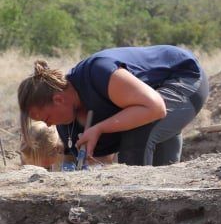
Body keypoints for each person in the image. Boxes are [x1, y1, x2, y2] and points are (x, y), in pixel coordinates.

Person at [18, 45, 208, 166]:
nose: (49, 125)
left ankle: (134, 207)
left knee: (138, 132)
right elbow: (96, 163)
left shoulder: (98, 72)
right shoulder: (68, 127)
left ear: (58, 99)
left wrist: (100, 128)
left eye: (46, 118)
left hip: (184, 77)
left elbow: (155, 107)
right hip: (150, 105)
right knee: (160, 176)